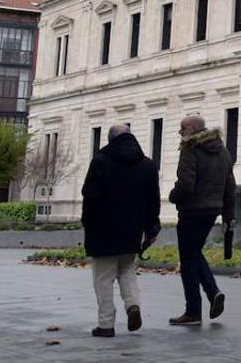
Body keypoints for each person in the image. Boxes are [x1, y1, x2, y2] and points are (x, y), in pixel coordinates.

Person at [81, 124, 160, 338]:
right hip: (132, 230)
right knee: (127, 270)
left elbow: (90, 197)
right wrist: (152, 227)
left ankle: (106, 324)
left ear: (110, 139)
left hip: (103, 229)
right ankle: (133, 305)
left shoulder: (100, 162)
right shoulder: (148, 166)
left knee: (103, 277)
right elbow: (153, 201)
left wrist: (87, 223)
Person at [167, 114, 236, 325]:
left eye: (183, 127)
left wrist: (173, 196)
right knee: (194, 254)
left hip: (191, 212)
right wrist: (228, 215)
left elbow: (186, 184)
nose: (180, 132)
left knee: (188, 261)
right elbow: (229, 187)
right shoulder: (223, 151)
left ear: (195, 129)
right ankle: (213, 293)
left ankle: (193, 311)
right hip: (212, 211)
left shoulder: (190, 149)